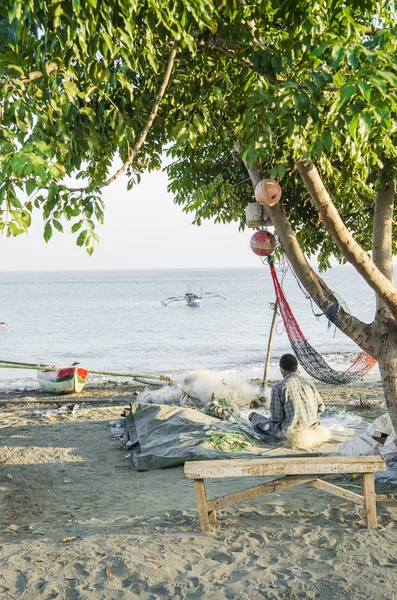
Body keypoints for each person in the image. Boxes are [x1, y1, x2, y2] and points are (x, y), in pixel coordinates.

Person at [249, 353, 325, 441]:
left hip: (291, 434)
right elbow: (321, 408)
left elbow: (277, 418)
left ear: (284, 370)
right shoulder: (309, 382)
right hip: (313, 429)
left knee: (253, 416)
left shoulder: (279, 387)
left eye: (281, 369)